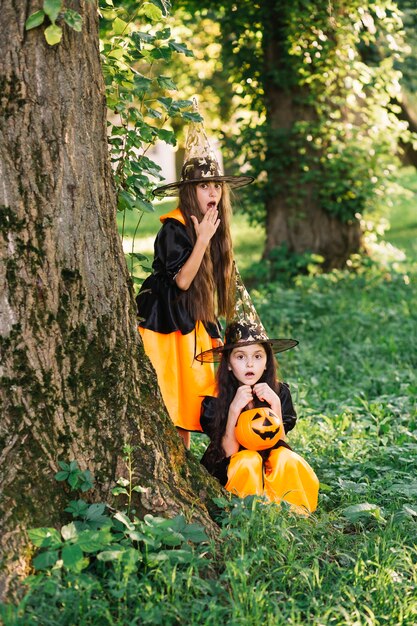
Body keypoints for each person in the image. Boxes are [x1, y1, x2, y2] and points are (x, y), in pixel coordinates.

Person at [136, 114, 253, 448]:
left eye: (216, 185)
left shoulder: (212, 228)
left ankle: (188, 458)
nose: (212, 191)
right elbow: (183, 281)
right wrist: (201, 240)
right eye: (204, 186)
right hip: (166, 322)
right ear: (190, 192)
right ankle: (176, 455)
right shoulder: (173, 227)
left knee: (195, 390)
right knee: (173, 389)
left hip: (193, 319)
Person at [197, 319, 319, 513]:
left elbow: (279, 442)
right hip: (231, 466)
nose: (249, 364)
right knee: (248, 460)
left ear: (266, 362)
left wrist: (275, 405)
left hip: (268, 458)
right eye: (240, 357)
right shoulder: (215, 399)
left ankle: (293, 512)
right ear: (228, 364)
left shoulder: (279, 392)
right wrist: (234, 409)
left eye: (257, 356)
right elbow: (228, 452)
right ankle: (245, 515)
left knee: (287, 458)